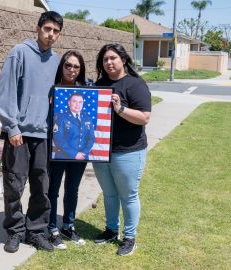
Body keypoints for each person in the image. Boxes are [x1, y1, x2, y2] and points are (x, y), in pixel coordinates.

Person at [0, 11, 63, 253]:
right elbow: (6, 92)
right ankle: (15, 231)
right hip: (20, 134)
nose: (51, 35)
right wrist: (12, 126)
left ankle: (36, 231)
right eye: (47, 29)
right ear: (38, 28)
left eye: (56, 31)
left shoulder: (56, 61)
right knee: (14, 185)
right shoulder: (19, 53)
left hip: (45, 134)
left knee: (41, 187)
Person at [92, 43, 151, 256]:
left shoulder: (135, 85)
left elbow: (145, 117)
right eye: (105, 59)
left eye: (113, 58)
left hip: (128, 151)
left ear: (123, 60)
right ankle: (111, 230)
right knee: (109, 194)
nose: (109, 62)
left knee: (128, 195)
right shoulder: (99, 85)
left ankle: (129, 237)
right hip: (100, 150)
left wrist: (120, 109)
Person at [47, 50, 92, 249]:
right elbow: (57, 134)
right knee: (53, 190)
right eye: (68, 65)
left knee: (72, 189)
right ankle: (51, 228)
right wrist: (73, 152)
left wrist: (83, 151)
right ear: (62, 66)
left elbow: (91, 134)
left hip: (80, 156)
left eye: (76, 66)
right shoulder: (52, 89)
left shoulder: (87, 90)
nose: (72, 69)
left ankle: (68, 225)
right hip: (58, 152)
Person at [53, 91, 95, 160]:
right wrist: (74, 154)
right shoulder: (61, 117)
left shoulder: (87, 118)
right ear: (69, 103)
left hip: (82, 157)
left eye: (80, 102)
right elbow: (58, 138)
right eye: (74, 101)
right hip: (63, 157)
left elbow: (91, 138)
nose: (77, 104)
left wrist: (84, 153)